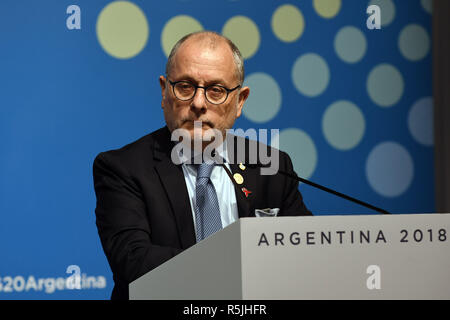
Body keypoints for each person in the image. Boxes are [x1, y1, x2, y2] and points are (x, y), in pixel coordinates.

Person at [93, 31, 312, 300]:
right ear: (164, 91)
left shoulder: (272, 166)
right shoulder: (123, 168)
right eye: (185, 86)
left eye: (216, 90)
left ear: (240, 101)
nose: (198, 103)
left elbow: (303, 253)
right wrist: (246, 263)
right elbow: (137, 262)